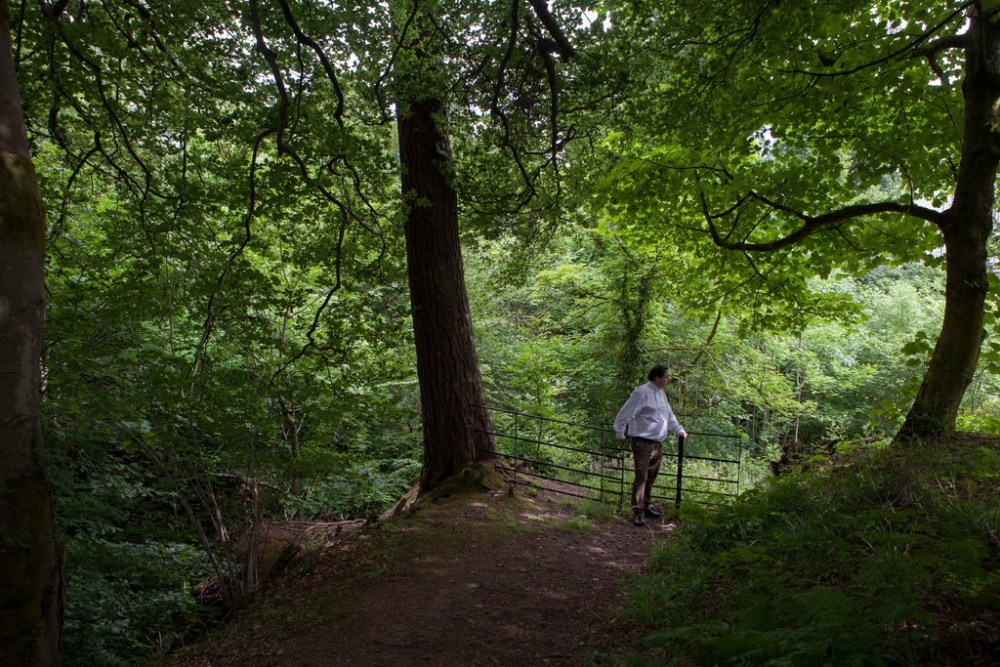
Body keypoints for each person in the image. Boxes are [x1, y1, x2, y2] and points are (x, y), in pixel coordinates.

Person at [613, 364, 687, 526]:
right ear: (657, 378)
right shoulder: (641, 392)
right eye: (666, 376)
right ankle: (637, 511)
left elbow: (669, 417)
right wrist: (619, 431)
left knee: (651, 477)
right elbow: (625, 412)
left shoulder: (661, 394)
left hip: (657, 443)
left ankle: (645, 506)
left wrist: (679, 430)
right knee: (642, 477)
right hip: (642, 442)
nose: (668, 379)